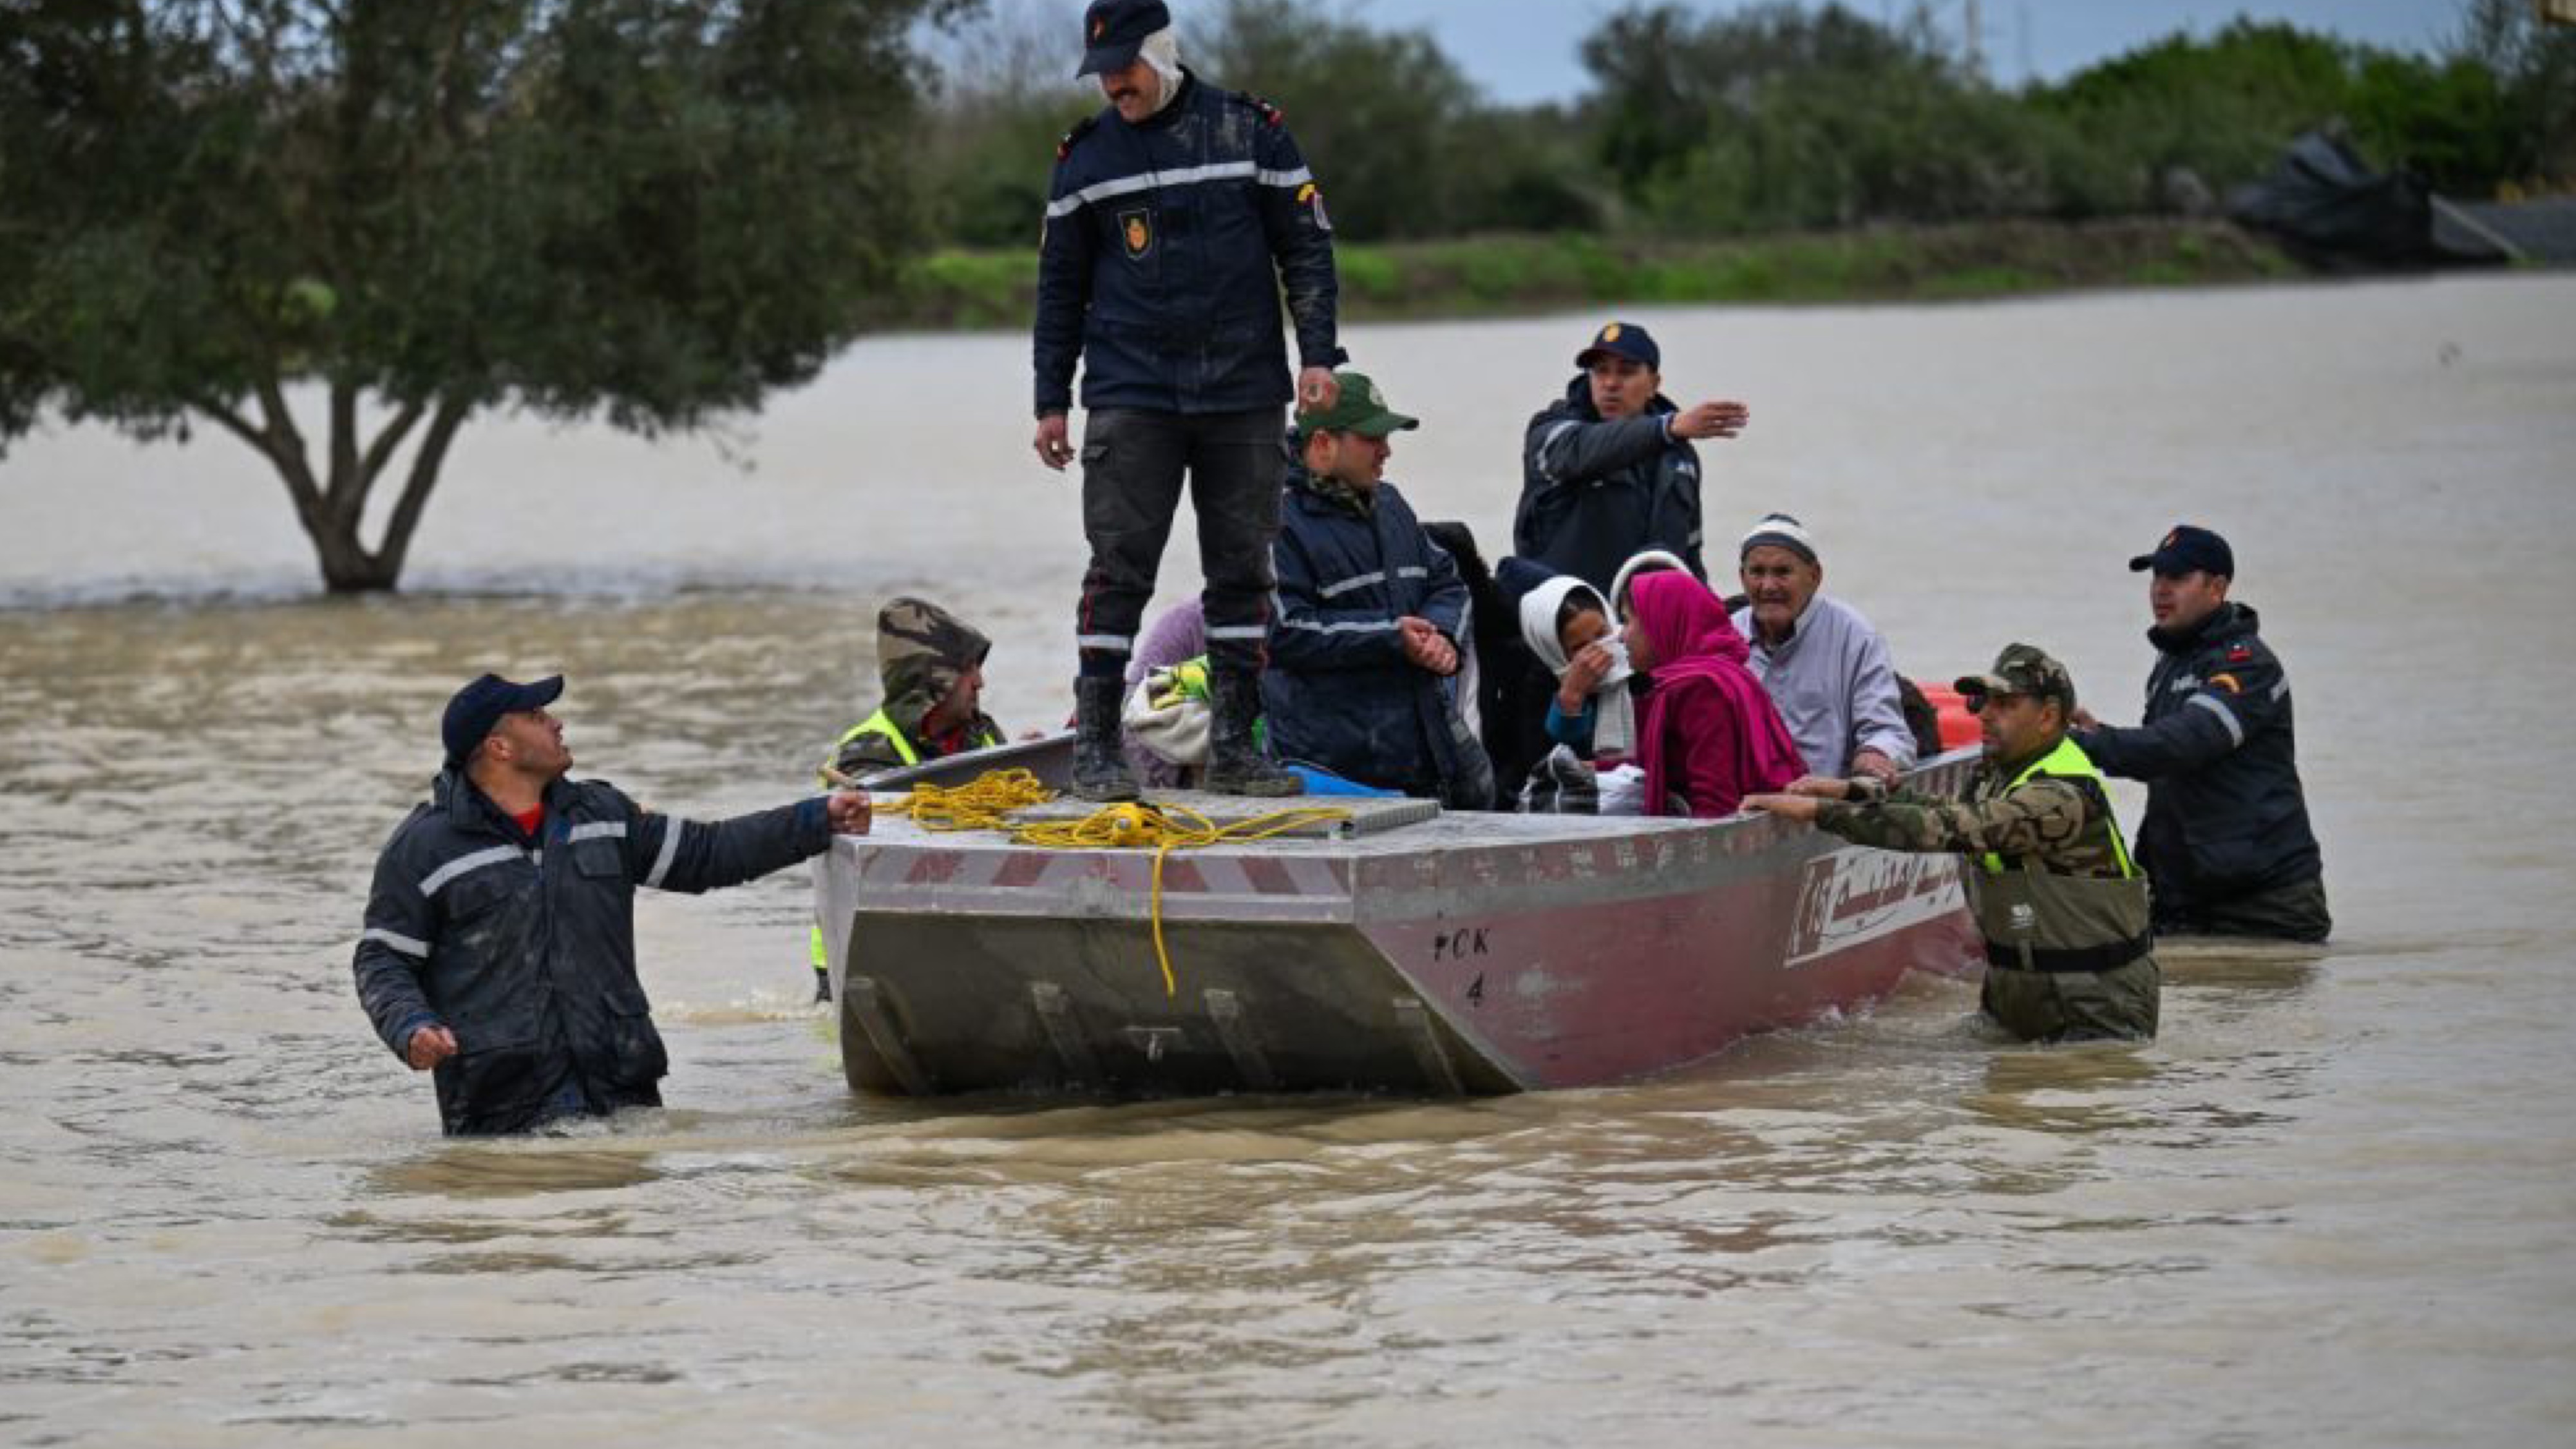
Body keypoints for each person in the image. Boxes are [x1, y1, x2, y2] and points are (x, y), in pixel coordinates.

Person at [1030, 0, 1343, 802]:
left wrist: (1317, 356)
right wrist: (1050, 401)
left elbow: (1306, 248)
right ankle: (1097, 747)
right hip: (1131, 394)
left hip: (1243, 390)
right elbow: (1058, 291)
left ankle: (1236, 746)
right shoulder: (1085, 157)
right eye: (1101, 73)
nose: (1113, 85)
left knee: (1243, 572)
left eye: (1124, 67)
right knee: (1117, 568)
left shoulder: (1250, 131)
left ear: (1163, 52)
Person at [354, 674, 872, 1135]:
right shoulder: (423, 847)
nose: (556, 723)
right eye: (536, 716)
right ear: (499, 747)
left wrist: (817, 819)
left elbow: (707, 855)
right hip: (501, 1117)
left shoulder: (600, 814)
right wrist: (410, 1028)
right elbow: (383, 958)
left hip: (625, 1101)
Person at [1748, 645, 2159, 1043]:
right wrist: (1851, 792)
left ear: (2049, 716)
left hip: (2096, 1004)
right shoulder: (2000, 771)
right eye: (1984, 702)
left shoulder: (2060, 794)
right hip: (2018, 993)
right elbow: (1940, 807)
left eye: (2006, 704)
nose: (1986, 715)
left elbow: (1949, 828)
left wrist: (1821, 813)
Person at [2074, 525, 2329, 942]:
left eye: (2176, 578)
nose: (2160, 590)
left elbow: (2182, 745)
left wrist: (2081, 744)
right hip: (2185, 903)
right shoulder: (2170, 663)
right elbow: (2159, 762)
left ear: (2217, 588)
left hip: (2264, 908)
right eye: (2156, 577)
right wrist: (2099, 733)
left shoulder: (2249, 667)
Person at [1264, 370, 1492, 808]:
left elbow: (1449, 583)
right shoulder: (1274, 521)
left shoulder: (1391, 503)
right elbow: (1282, 629)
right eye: (1372, 439)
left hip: (1419, 761)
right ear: (1324, 443)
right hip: (1329, 772)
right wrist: (1392, 637)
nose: (1386, 450)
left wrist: (1442, 638)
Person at [808, 597, 1008, 1001]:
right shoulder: (865, 754)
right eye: (970, 670)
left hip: (956, 937)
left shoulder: (981, 734)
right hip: (861, 953)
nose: (980, 682)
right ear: (937, 682)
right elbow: (879, 844)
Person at [1516, 321, 1750, 596]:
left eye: (1626, 372)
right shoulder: (1553, 432)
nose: (1610, 384)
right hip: (1570, 626)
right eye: (1600, 371)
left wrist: (1711, 622)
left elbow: (1689, 559)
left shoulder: (1680, 456)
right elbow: (1584, 450)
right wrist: (1667, 427)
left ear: (1654, 384)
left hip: (1649, 627)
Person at [1729, 513, 1915, 786]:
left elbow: (1888, 730)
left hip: (1824, 808)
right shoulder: (1725, 636)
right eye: (1757, 572)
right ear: (1742, 577)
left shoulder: (1855, 636)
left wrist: (1874, 754)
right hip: (1743, 804)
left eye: (1782, 573)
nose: (1768, 586)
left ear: (1815, 576)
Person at [1621, 571, 1804, 817]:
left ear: (1660, 622)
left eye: (1628, 620)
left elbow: (1715, 803)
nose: (1622, 635)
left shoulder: (1700, 689)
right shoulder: (1713, 674)